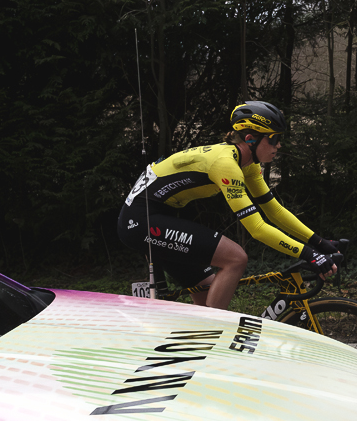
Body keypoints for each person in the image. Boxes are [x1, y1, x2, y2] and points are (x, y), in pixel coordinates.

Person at [117, 100, 339, 310]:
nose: (279, 145)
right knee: (235, 258)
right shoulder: (225, 164)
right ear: (251, 139)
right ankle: (217, 339)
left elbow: (274, 210)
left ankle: (201, 343)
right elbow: (257, 229)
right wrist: (309, 254)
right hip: (140, 222)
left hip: (158, 217)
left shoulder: (247, 164)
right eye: (273, 138)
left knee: (209, 298)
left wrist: (318, 242)